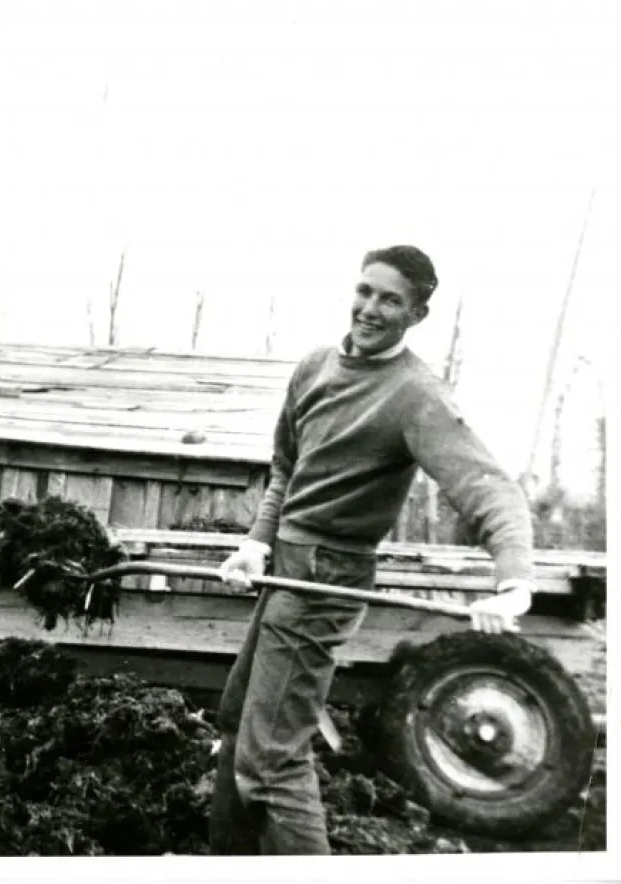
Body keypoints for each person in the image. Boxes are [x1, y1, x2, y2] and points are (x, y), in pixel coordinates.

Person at [209, 245, 537, 856]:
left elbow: (487, 486)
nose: (370, 308)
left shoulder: (417, 396)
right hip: (285, 567)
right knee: (237, 723)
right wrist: (257, 543)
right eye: (365, 291)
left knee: (273, 756)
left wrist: (512, 579)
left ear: (417, 314)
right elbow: (286, 468)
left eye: (390, 300)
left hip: (328, 575)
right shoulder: (313, 368)